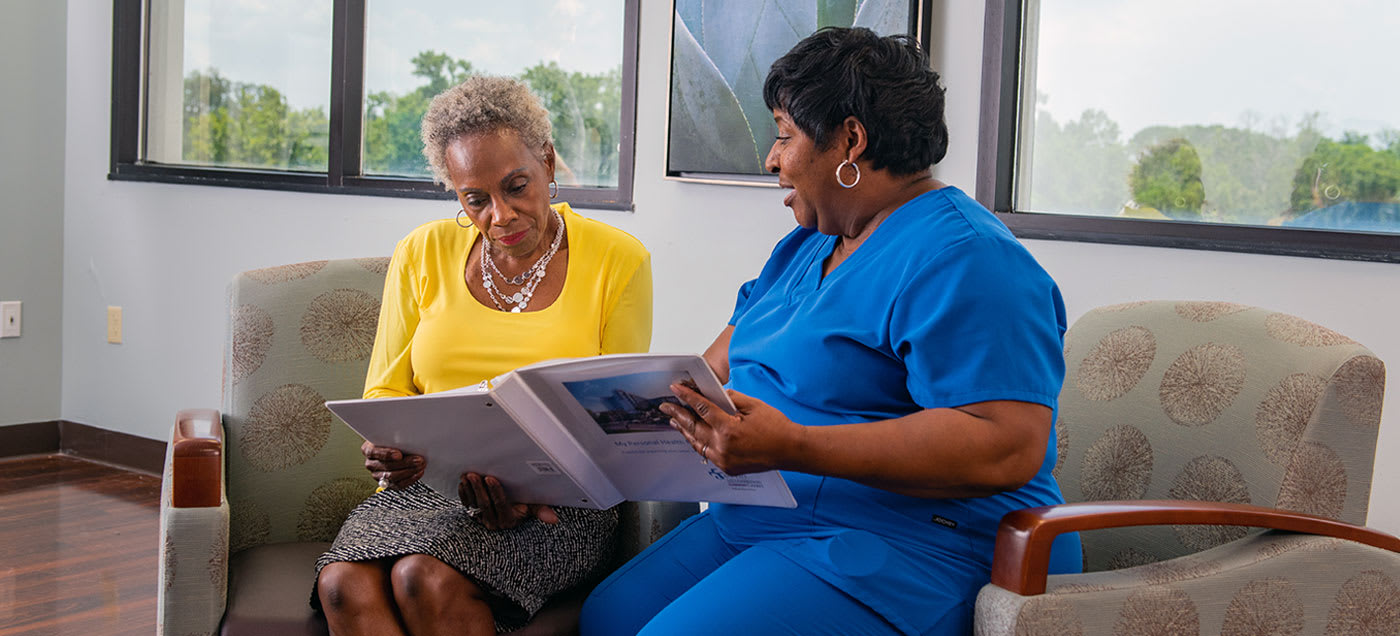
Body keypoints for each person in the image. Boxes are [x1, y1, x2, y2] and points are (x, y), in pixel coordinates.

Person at [579, 27, 1080, 636]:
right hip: (763, 521)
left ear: (849, 140)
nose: (771, 158)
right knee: (606, 618)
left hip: (914, 546)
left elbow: (1006, 443)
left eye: (785, 135)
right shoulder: (805, 247)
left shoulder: (969, 259)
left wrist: (793, 447)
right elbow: (704, 378)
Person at [314, 76, 652, 636]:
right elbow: (385, 391)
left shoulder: (619, 260)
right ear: (456, 193)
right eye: (476, 199)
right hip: (429, 490)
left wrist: (527, 494)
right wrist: (388, 450)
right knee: (341, 585)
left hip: (561, 506)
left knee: (424, 577)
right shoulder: (422, 251)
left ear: (546, 163)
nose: (501, 215)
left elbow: (612, 423)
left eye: (517, 185)